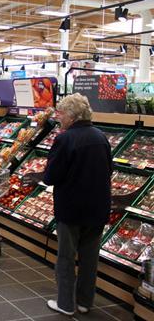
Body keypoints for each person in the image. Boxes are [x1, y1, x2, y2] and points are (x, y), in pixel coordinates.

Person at [43, 93, 112, 316]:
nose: (59, 118)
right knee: (90, 258)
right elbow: (109, 170)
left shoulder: (64, 139)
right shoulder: (101, 137)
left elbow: (51, 176)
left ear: (72, 116)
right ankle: (85, 302)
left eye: (61, 113)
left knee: (65, 257)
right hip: (98, 207)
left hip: (71, 208)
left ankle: (65, 303)